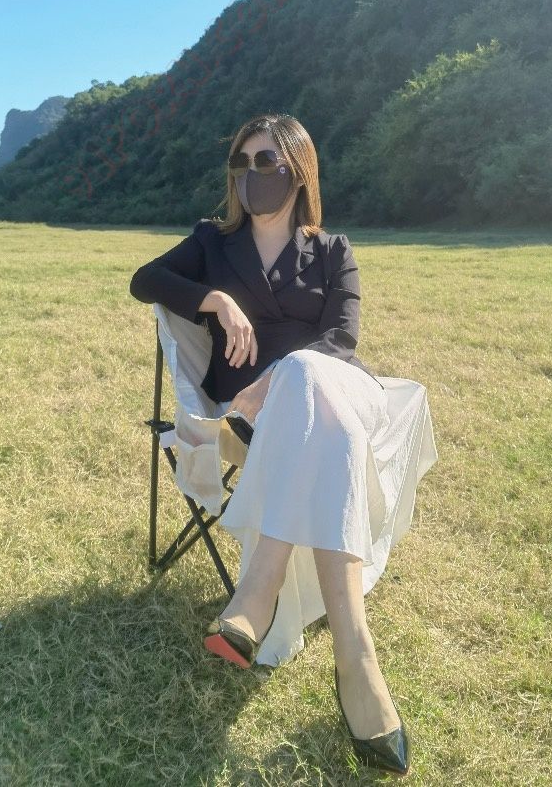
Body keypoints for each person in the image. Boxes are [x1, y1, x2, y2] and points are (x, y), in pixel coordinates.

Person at [129, 113, 410, 776]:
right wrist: (217, 300)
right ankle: (356, 657)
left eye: (266, 162)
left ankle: (257, 594)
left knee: (309, 372)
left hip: (328, 398)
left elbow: (341, 340)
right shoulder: (212, 243)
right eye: (242, 162)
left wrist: (278, 377)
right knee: (314, 408)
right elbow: (145, 280)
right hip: (247, 424)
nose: (251, 174)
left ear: (299, 171)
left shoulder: (333, 251)